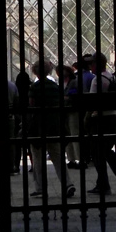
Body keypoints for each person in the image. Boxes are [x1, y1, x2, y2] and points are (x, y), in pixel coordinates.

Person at [28, 59, 76, 199]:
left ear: (35, 72)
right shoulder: (55, 86)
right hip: (54, 125)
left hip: (39, 126)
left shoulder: (34, 88)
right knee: (58, 157)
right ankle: (68, 184)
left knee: (38, 159)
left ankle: (40, 188)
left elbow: (32, 107)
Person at [86, 52, 116, 195]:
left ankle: (109, 182)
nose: (90, 66)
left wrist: (87, 118)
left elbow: (92, 102)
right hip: (113, 118)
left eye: (91, 63)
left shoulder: (97, 80)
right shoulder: (110, 77)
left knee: (98, 152)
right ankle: (113, 180)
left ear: (95, 64)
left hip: (100, 119)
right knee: (105, 151)